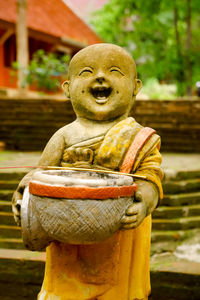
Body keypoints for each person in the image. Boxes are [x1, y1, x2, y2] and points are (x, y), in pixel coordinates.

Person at [12, 43, 163, 300]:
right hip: (68, 241)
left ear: (135, 87)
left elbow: (152, 176)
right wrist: (23, 198)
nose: (100, 77)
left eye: (114, 70)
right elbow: (39, 176)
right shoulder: (64, 136)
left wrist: (145, 200)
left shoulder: (140, 138)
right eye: (86, 72)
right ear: (68, 89)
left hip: (121, 237)